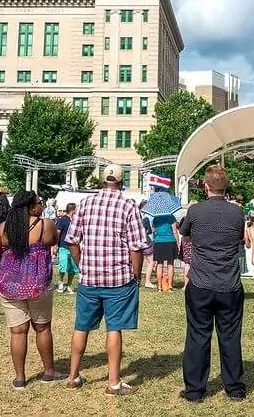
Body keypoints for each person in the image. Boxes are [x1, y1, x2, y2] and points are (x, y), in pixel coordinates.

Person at [64, 164, 147, 396]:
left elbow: (72, 240)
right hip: (119, 278)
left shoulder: (85, 203)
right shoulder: (128, 205)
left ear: (103, 181)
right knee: (114, 328)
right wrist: (136, 273)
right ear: (121, 182)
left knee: (81, 326)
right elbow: (137, 246)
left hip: (90, 278)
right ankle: (113, 382)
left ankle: (73, 376)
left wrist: (83, 264)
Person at [179, 165, 247, 404]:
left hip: (201, 282)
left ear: (206, 186)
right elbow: (240, 237)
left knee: (198, 335)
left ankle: (195, 390)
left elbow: (185, 234)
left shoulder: (196, 210)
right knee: (230, 336)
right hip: (229, 283)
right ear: (225, 187)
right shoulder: (237, 213)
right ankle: (235, 388)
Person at [0, 190, 61, 389]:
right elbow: (53, 241)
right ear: (32, 206)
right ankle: (49, 371)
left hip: (9, 284)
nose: (41, 205)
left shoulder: (4, 228)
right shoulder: (46, 225)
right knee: (42, 327)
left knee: (18, 332)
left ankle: (19, 377)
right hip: (38, 283)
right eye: (39, 202)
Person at [152, 208, 179, 292]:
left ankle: (159, 287)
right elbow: (175, 231)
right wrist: (178, 242)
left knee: (159, 265)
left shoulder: (155, 218)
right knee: (170, 264)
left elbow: (153, 231)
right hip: (170, 241)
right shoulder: (171, 217)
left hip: (159, 241)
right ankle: (170, 286)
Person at [56, 202, 79, 293]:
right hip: (63, 246)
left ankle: (69, 284)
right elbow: (58, 232)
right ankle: (61, 282)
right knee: (63, 266)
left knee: (73, 268)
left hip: (74, 247)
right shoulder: (62, 220)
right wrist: (56, 245)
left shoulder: (75, 220)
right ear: (73, 210)